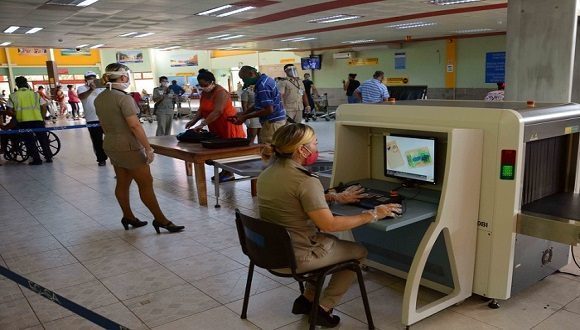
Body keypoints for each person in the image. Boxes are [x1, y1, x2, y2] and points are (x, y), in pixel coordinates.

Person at [258, 123, 402, 328]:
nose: (317, 147)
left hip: (271, 251)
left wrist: (334, 197)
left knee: (330, 245)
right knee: (358, 252)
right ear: (302, 149)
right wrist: (373, 214)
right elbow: (330, 225)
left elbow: (291, 200)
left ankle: (307, 299)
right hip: (298, 255)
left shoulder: (268, 173)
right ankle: (323, 307)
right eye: (315, 143)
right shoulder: (305, 181)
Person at [94, 63, 184, 234]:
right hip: (128, 146)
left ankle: (128, 216)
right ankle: (161, 220)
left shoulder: (101, 98)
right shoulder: (123, 98)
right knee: (146, 184)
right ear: (123, 77)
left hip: (111, 143)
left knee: (122, 181)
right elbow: (135, 126)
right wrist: (148, 148)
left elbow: (103, 124)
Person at [185, 69, 246, 182]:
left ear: (212, 82)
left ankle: (229, 173)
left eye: (205, 85)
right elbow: (202, 109)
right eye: (201, 85)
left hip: (227, 124)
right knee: (219, 149)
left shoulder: (221, 92)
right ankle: (225, 171)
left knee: (227, 149)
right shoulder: (204, 93)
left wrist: (202, 124)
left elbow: (218, 111)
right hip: (214, 124)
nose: (203, 87)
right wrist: (193, 121)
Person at [5, 76, 52, 165]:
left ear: (17, 84)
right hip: (38, 120)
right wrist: (42, 117)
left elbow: (9, 110)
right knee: (43, 139)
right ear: (26, 83)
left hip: (23, 121)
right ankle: (48, 157)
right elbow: (44, 107)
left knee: (29, 140)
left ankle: (37, 160)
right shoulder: (35, 94)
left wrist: (17, 114)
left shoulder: (13, 95)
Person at [233, 65, 286, 144]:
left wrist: (245, 117)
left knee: (268, 148)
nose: (244, 81)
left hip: (272, 123)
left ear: (251, 74)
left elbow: (269, 110)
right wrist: (244, 113)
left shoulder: (263, 86)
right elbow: (260, 104)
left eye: (243, 78)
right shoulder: (266, 80)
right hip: (275, 121)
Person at [77, 71, 108, 166]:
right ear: (85, 79)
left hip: (106, 118)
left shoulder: (102, 88)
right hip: (92, 119)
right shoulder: (81, 88)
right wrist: (90, 89)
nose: (92, 79)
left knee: (111, 139)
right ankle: (101, 159)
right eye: (89, 78)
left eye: (93, 77)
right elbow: (81, 96)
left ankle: (115, 157)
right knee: (97, 141)